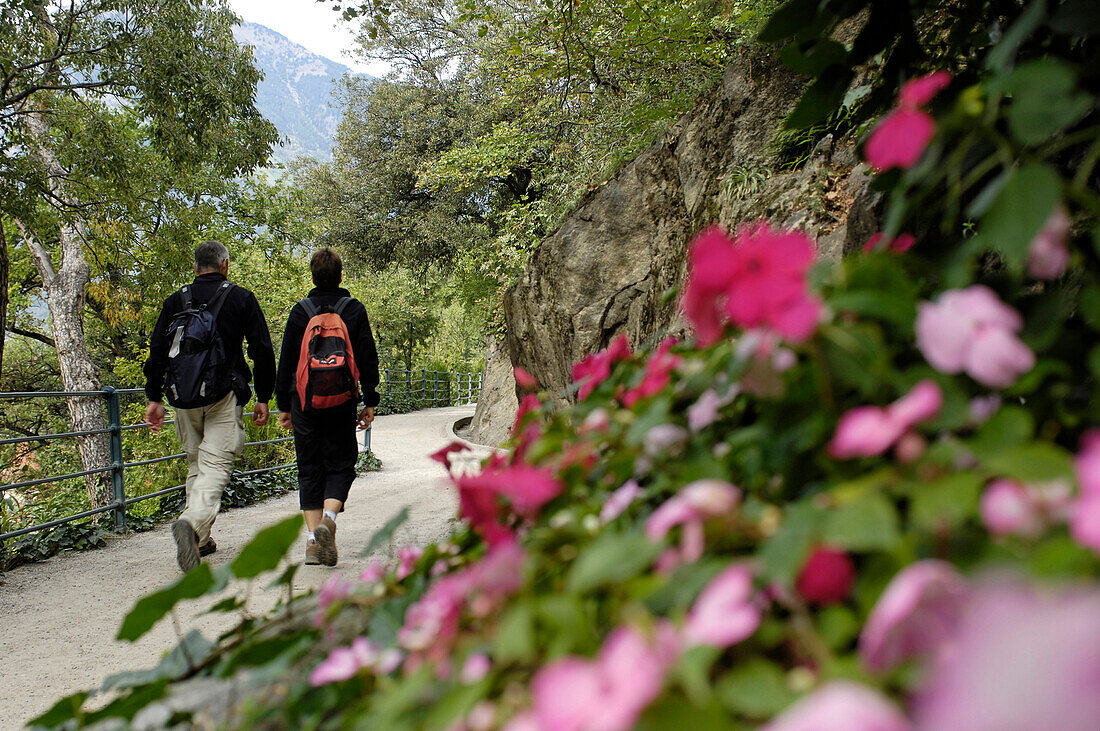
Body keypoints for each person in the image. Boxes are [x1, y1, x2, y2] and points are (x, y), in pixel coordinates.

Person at [143, 240, 276, 572]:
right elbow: (261, 348)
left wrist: (154, 398)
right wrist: (263, 396)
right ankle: (190, 523)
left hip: (183, 398)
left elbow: (157, 351)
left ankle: (200, 541)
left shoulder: (176, 300)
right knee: (215, 465)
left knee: (196, 463)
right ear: (225, 265)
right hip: (222, 394)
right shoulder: (240, 298)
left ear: (195, 267)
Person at [276, 247, 380, 566]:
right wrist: (370, 399)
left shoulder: (300, 311)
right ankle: (329, 520)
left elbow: (287, 362)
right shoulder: (353, 309)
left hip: (304, 403)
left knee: (309, 469)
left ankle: (311, 544)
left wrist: (283, 404)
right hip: (341, 401)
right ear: (340, 275)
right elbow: (366, 356)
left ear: (312, 275)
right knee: (342, 464)